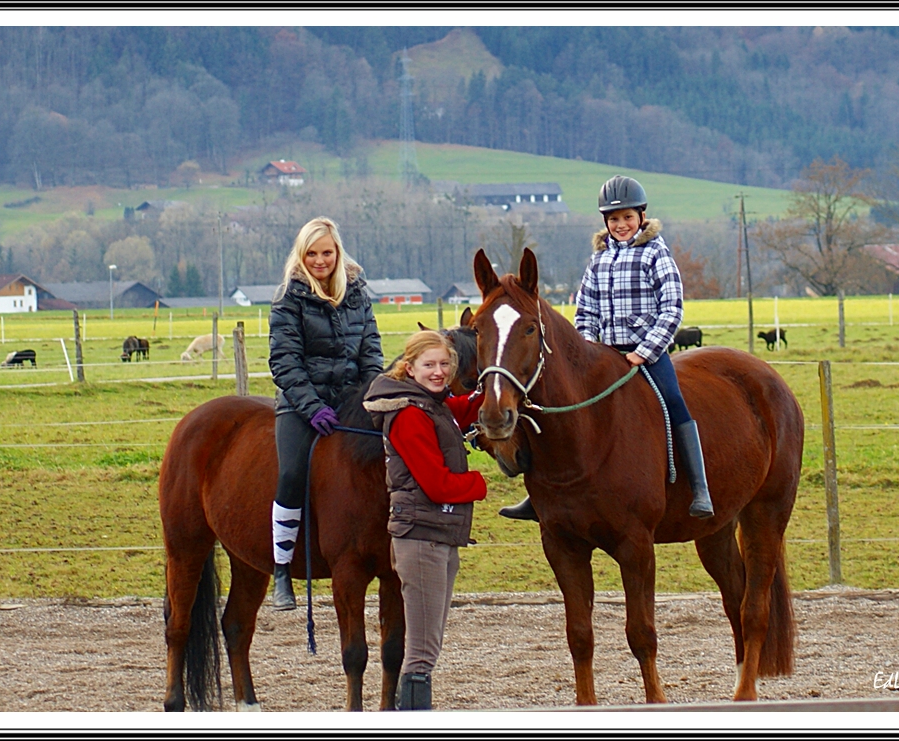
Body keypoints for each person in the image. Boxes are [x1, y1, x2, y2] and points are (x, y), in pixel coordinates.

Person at [499, 175, 714, 522]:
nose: (621, 225)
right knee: (562, 408)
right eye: (614, 219)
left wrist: (645, 350)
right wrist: (586, 348)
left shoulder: (656, 254)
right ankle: (537, 492)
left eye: (627, 217)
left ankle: (699, 487)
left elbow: (672, 308)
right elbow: (586, 310)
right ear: (605, 222)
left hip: (647, 353)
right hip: (602, 353)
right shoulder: (598, 260)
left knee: (674, 401)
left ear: (641, 216)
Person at [363, 331, 487, 711]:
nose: (438, 372)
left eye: (444, 365)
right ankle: (414, 718)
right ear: (409, 367)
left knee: (429, 643)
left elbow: (460, 409)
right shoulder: (410, 415)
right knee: (421, 651)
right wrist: (478, 484)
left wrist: (496, 384)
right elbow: (436, 484)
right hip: (421, 538)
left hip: (438, 535)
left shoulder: (433, 404)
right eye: (429, 365)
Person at [268, 217, 385, 610]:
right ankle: (282, 568)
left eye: (327, 253)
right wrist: (312, 406)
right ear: (302, 256)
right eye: (312, 253)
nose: (320, 261)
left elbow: (371, 351)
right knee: (290, 472)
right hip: (303, 406)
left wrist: (370, 397)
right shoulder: (289, 298)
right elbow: (284, 362)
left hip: (353, 403)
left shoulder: (357, 293)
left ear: (338, 254)